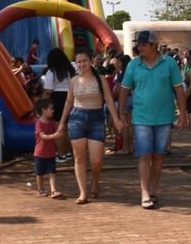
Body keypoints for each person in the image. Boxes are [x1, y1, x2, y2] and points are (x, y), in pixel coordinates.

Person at [118, 30, 188, 210]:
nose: (139, 47)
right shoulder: (133, 65)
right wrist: (120, 113)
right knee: (144, 154)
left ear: (153, 45)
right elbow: (124, 90)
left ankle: (153, 190)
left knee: (158, 155)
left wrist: (183, 114)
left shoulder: (170, 63)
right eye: (138, 44)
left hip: (164, 117)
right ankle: (144, 192)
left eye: (143, 44)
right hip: (141, 117)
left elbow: (179, 89)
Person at [59, 49, 124, 204]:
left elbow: (108, 99)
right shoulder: (74, 81)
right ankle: (83, 192)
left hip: (96, 119)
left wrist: (116, 119)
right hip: (77, 119)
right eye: (79, 62)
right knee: (79, 157)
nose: (82, 64)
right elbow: (68, 102)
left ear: (92, 61)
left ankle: (95, 181)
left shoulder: (100, 79)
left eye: (84, 61)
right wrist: (62, 121)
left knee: (96, 160)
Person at [41, 48, 75, 162]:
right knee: (69, 128)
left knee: (59, 128)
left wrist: (42, 104)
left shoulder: (52, 72)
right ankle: (69, 153)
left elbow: (47, 91)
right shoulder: (71, 69)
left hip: (57, 99)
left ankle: (61, 155)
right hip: (71, 98)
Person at [32, 98, 65, 199]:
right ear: (43, 110)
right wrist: (55, 135)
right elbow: (43, 136)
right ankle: (40, 188)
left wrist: (60, 130)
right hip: (40, 153)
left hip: (51, 153)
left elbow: (58, 131)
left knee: (52, 172)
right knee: (39, 173)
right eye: (51, 109)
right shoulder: (39, 123)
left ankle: (53, 190)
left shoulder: (52, 122)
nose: (53, 110)